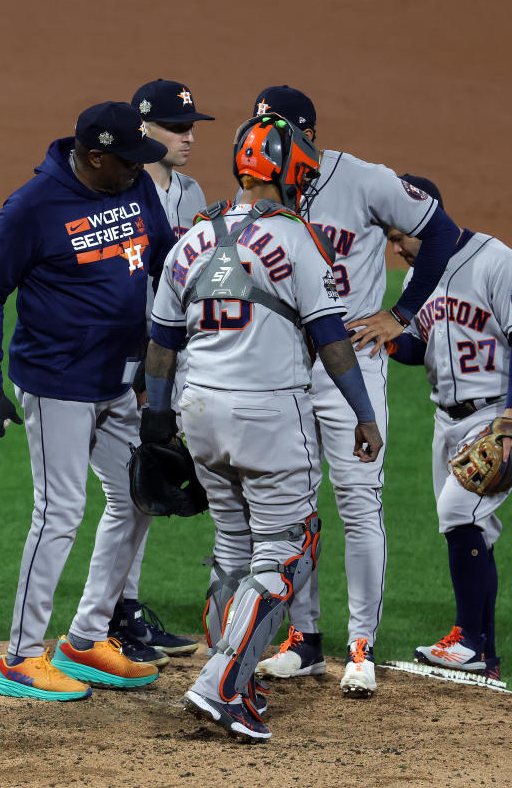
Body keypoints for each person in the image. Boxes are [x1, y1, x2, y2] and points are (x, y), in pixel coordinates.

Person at [146, 114, 383, 742]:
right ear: (294, 172)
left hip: (198, 414)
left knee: (232, 548)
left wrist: (157, 419)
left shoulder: (192, 240)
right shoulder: (299, 240)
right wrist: (363, 413)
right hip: (269, 417)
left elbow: (163, 343)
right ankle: (223, 683)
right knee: (289, 551)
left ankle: (239, 676)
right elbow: (332, 341)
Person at [244, 87, 461, 699]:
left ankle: (360, 645)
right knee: (292, 507)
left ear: (305, 134)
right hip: (282, 369)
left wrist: (404, 313)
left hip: (354, 365)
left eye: (274, 130)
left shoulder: (364, 180)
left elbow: (442, 232)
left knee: (359, 502)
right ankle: (305, 641)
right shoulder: (260, 192)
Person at [0, 102, 179, 701]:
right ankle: (19, 657)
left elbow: (166, 260)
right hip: (56, 383)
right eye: (129, 159)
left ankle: (87, 637)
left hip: (122, 381)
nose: (142, 168)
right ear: (95, 157)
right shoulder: (33, 208)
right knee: (59, 512)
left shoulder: (135, 184)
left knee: (139, 498)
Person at [382, 175, 512, 682]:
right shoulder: (418, 280)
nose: (395, 247)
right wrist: (379, 339)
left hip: (498, 414)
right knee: (472, 529)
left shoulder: (498, 262)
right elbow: (418, 347)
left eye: (398, 235)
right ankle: (487, 659)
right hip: (445, 421)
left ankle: (469, 640)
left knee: (457, 513)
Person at [105, 78, 216, 666]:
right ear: (143, 127)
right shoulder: (123, 185)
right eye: (177, 126)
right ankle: (113, 615)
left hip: (169, 359)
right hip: (125, 360)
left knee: (143, 490)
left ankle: (125, 610)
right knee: (126, 491)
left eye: (192, 125)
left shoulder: (194, 190)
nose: (188, 136)